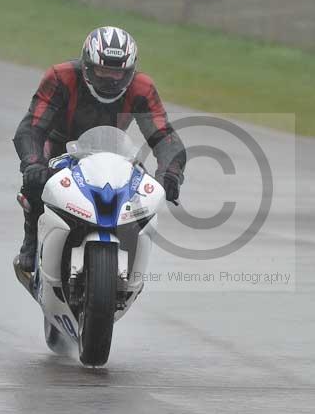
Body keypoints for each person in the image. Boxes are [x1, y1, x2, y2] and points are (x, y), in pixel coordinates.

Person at [13, 26, 186, 272]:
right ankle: (31, 242)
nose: (110, 80)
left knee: (146, 197)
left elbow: (165, 136)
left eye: (118, 74)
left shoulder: (142, 88)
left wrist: (170, 173)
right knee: (34, 183)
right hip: (60, 150)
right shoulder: (60, 77)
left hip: (115, 152)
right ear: (86, 65)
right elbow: (31, 127)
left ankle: (133, 259)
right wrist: (32, 163)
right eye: (103, 71)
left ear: (130, 71)